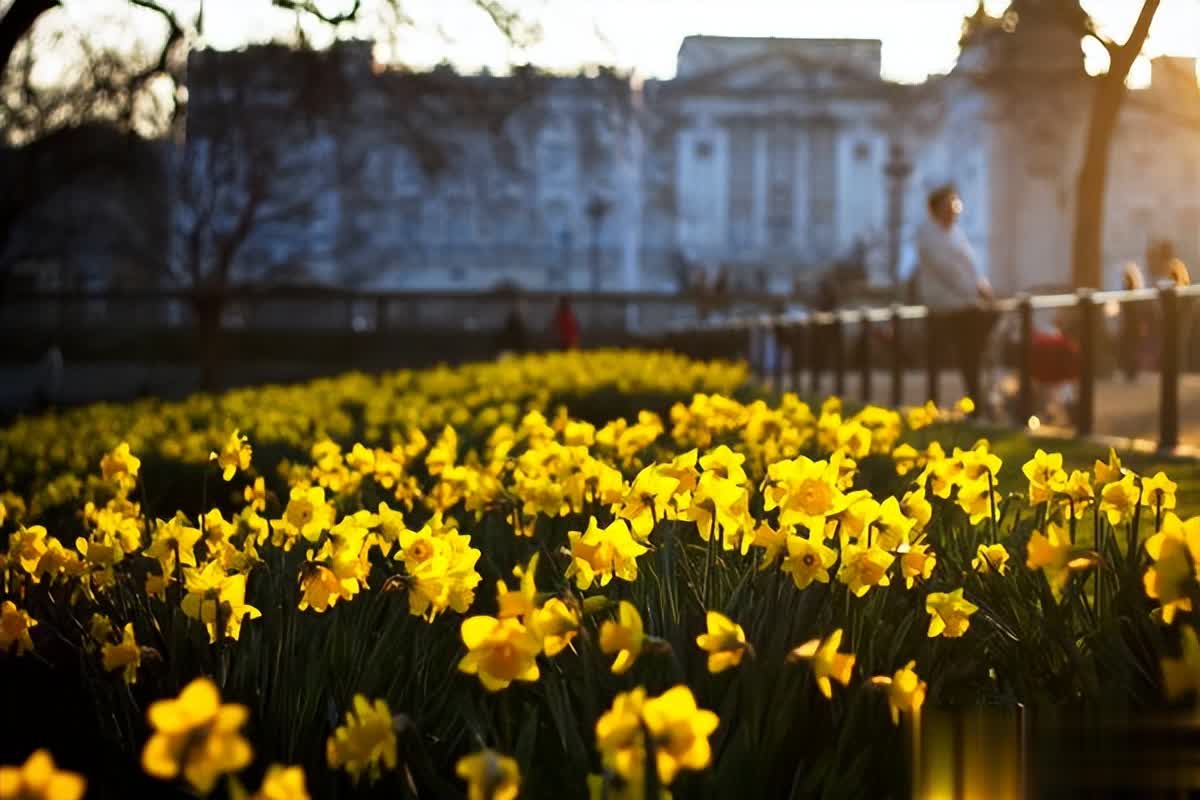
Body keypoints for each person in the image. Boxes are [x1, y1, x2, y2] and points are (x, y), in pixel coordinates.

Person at [915, 184, 993, 408]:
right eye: (950, 204)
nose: (955, 209)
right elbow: (947, 270)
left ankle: (975, 399)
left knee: (970, 354)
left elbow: (972, 265)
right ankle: (936, 404)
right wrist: (974, 290)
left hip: (965, 303)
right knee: (945, 357)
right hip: (946, 305)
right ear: (937, 208)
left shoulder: (956, 233)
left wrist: (982, 284)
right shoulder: (928, 234)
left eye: (956, 204)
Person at [1117, 262, 1147, 381]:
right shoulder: (1135, 291)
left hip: (1130, 323)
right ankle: (1131, 372)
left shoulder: (1129, 291)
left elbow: (1132, 310)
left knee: (1130, 347)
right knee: (1131, 347)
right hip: (1132, 323)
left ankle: (1130, 372)